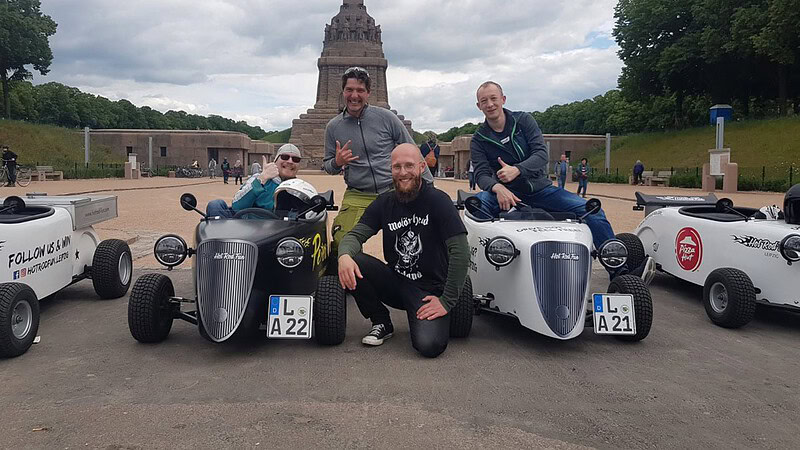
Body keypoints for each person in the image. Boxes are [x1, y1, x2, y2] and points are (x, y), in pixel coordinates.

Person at [469, 81, 652, 280]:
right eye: (484, 101)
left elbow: (541, 154)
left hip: (540, 189)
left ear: (503, 100)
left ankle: (619, 273)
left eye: (493, 98)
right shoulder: (478, 139)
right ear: (479, 106)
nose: (490, 104)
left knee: (593, 210)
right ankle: (489, 273)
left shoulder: (523, 121)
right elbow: (480, 173)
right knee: (475, 208)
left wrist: (517, 170)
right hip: (507, 194)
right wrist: (497, 187)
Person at [337, 143, 469, 358]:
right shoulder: (384, 202)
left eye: (409, 166)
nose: (403, 172)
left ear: (422, 167)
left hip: (429, 289)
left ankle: (430, 318)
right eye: (397, 167)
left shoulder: (438, 201)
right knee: (352, 261)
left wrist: (447, 301)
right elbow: (354, 236)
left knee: (429, 346)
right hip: (396, 281)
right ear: (391, 170)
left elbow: (461, 251)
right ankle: (381, 321)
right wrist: (343, 256)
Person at [323, 66, 433, 262]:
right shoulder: (333, 127)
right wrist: (337, 162)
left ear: (368, 94)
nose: (354, 95)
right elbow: (328, 166)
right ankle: (351, 287)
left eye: (360, 90)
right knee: (341, 241)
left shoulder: (386, 118)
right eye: (349, 90)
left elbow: (412, 150)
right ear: (343, 92)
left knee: (414, 241)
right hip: (358, 193)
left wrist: (429, 188)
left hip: (393, 191)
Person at [206, 144, 302, 218]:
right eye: (285, 157)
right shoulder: (258, 178)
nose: (290, 161)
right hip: (249, 231)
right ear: (275, 161)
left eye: (295, 159)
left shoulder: (300, 188)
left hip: (280, 236)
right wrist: (262, 179)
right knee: (215, 205)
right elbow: (237, 206)